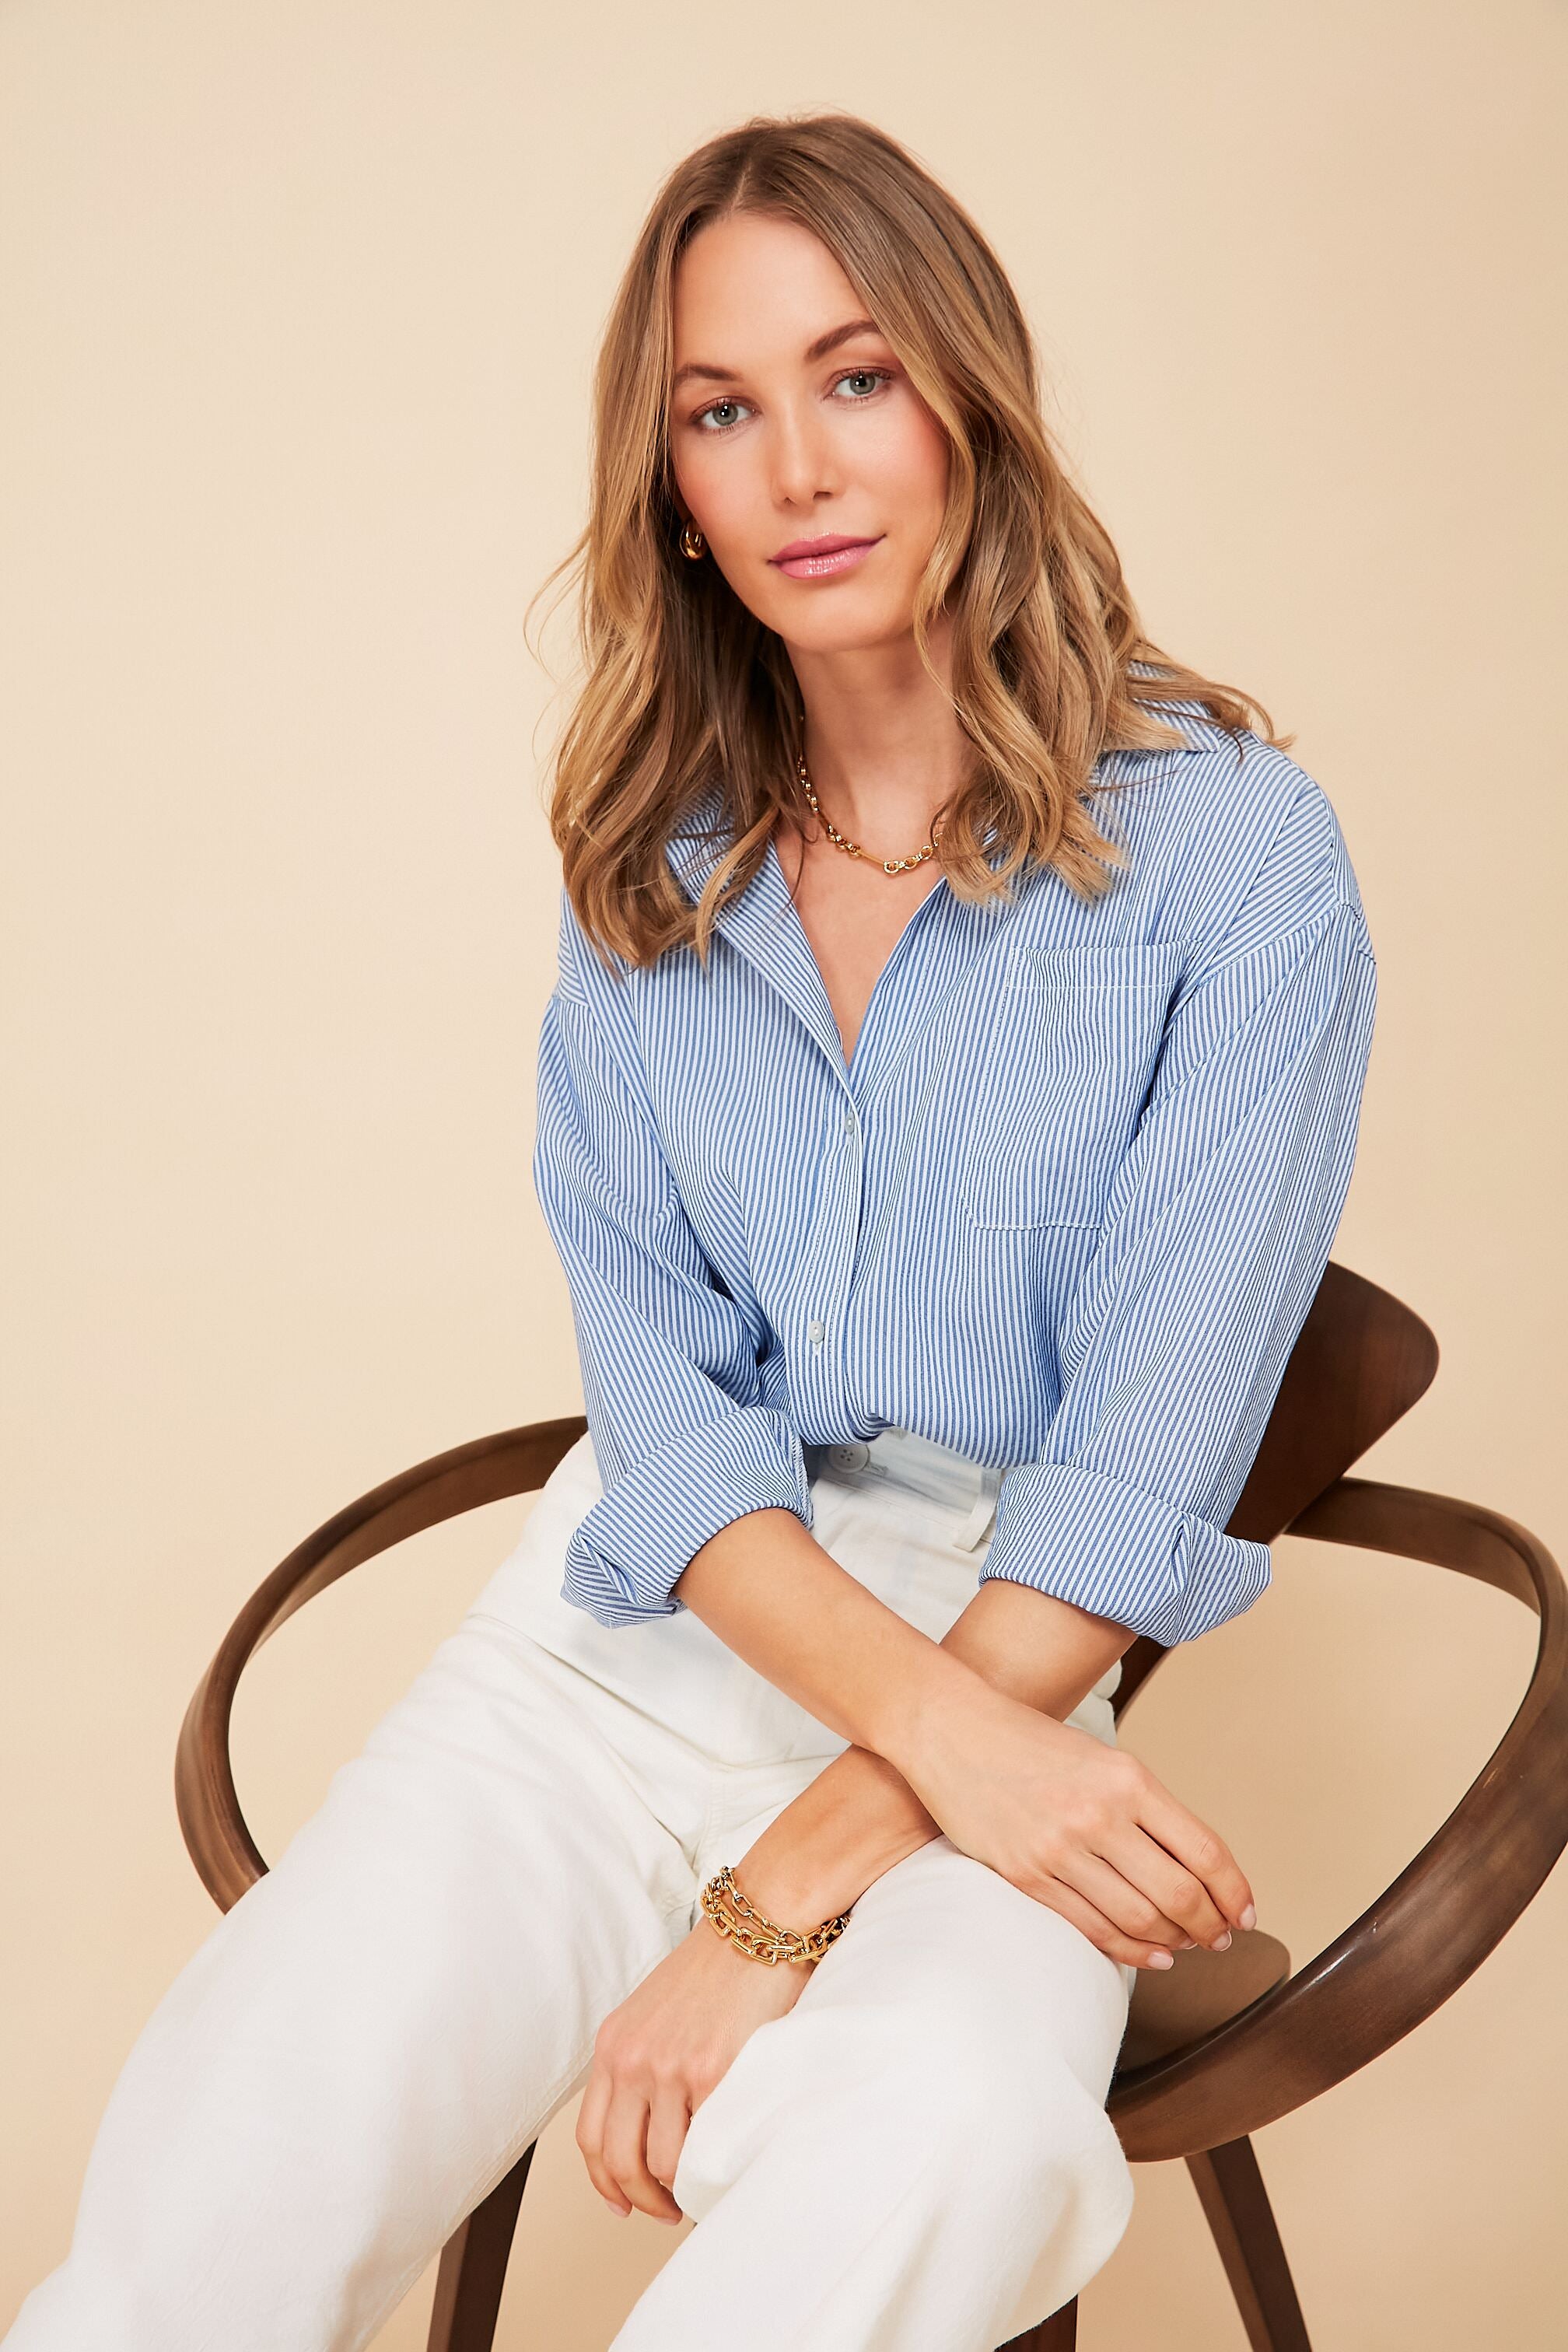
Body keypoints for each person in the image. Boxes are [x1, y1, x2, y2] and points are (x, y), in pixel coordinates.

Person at [4, 107, 1378, 2352]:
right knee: (235, 2174)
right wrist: (891, 1780)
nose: (800, 470)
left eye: (857, 379)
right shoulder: (652, 863)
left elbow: (1147, 1462)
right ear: (673, 490)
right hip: (628, 1645)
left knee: (954, 2135)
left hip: (1012, 1656)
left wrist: (804, 1874)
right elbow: (663, 1407)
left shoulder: (1235, 859)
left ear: (968, 400)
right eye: (721, 414)